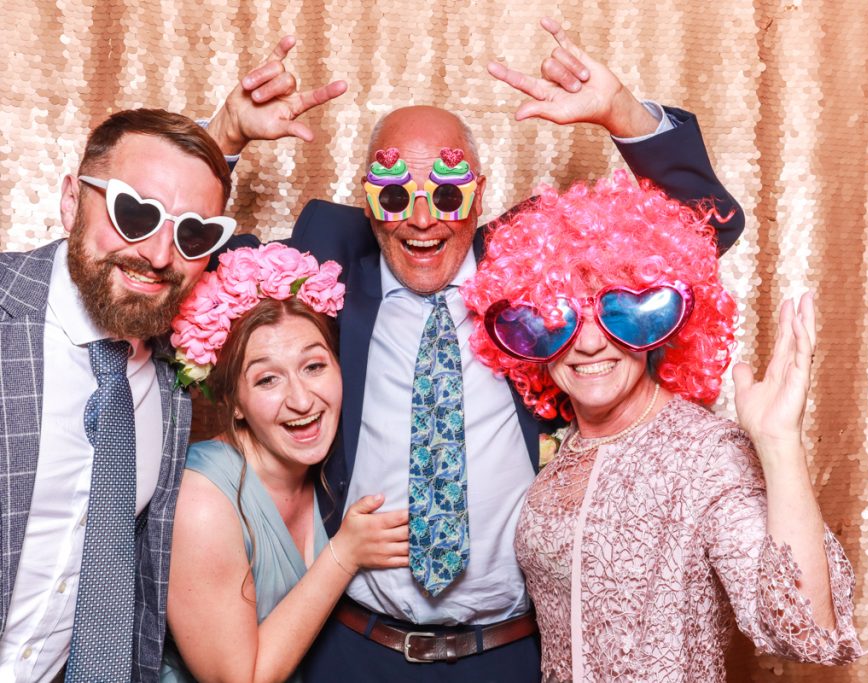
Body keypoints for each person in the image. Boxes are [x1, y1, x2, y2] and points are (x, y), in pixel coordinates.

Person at [203, 20, 745, 681]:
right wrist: (222, 138)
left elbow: (699, 228)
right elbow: (181, 262)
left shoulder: (534, 265)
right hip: (353, 648)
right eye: (396, 194)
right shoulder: (328, 257)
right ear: (370, 205)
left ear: (479, 193)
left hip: (511, 653)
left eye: (448, 193)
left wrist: (621, 112)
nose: (423, 218)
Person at [459, 171, 865, 681]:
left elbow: (806, 631)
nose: (588, 344)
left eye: (620, 312)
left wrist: (780, 444)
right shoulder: (561, 450)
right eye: (558, 317)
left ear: (659, 323)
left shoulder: (705, 452)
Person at [0, 109, 235, 681]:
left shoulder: (170, 376)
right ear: (71, 200)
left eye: (191, 234)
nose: (158, 255)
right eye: (134, 214)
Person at [161, 244, 408, 682]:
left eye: (313, 366)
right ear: (234, 401)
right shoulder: (201, 501)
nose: (300, 399)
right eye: (267, 379)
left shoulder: (334, 469)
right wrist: (344, 554)